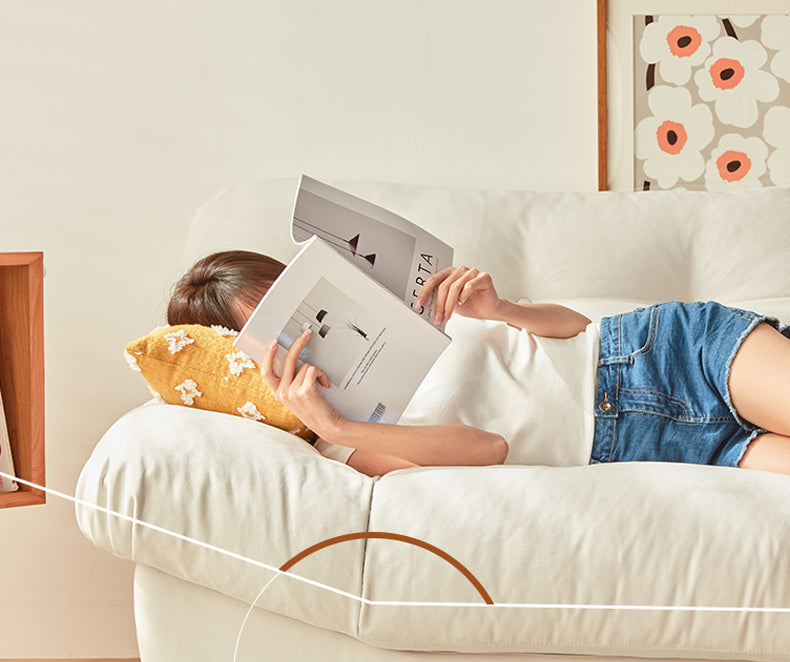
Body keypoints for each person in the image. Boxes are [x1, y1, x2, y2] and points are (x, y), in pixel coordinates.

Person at [168, 250, 790, 478]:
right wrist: (336, 428)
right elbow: (487, 447)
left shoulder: (406, 308)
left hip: (668, 355)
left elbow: (577, 329)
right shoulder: (341, 448)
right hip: (647, 445)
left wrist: (502, 308)